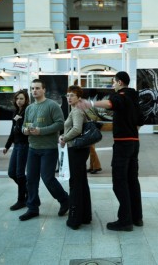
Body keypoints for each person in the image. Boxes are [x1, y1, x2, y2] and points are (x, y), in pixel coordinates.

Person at [77, 71, 144, 232]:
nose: (112, 85)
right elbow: (140, 121)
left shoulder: (121, 95)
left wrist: (90, 104)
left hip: (123, 144)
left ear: (120, 82)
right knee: (132, 181)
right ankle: (137, 217)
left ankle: (125, 220)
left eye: (113, 82)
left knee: (119, 182)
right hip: (134, 143)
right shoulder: (135, 99)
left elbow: (110, 104)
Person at [19, 79, 69, 221]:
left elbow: (60, 124)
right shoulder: (29, 108)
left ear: (44, 90)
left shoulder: (52, 105)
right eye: (32, 88)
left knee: (47, 178)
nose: (34, 90)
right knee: (31, 179)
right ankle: (32, 207)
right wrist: (25, 130)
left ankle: (65, 200)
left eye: (37, 88)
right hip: (33, 148)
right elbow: (25, 125)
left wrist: (41, 131)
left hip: (48, 148)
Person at [59, 86, 92, 230]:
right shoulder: (77, 109)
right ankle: (84, 215)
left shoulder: (77, 110)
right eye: (67, 95)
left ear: (79, 97)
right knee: (81, 183)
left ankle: (75, 219)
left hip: (76, 150)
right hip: (80, 150)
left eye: (72, 95)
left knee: (76, 184)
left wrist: (64, 138)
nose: (69, 97)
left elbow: (77, 129)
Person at [3, 90, 29, 211]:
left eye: (21, 98)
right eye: (17, 98)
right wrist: (7, 145)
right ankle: (28, 191)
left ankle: (21, 200)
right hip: (17, 145)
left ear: (26, 100)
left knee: (19, 174)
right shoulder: (15, 111)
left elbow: (24, 130)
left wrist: (18, 121)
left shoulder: (27, 111)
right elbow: (13, 130)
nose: (19, 101)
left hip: (24, 145)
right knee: (11, 173)